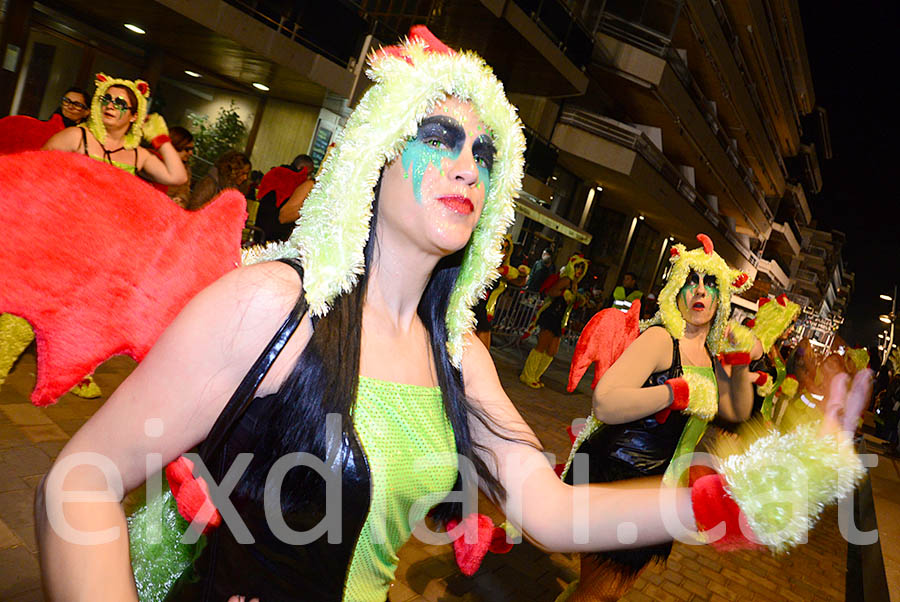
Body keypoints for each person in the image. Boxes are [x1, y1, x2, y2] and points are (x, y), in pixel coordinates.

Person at [35, 28, 870, 602]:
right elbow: (79, 480)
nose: (467, 162)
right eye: (440, 135)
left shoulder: (459, 355)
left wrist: (755, 489)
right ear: (376, 150)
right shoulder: (274, 306)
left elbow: (551, 508)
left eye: (485, 152)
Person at [559, 235, 763, 600]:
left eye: (711, 283)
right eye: (691, 280)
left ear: (721, 299)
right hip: (618, 478)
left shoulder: (711, 359)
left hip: (659, 492)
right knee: (600, 593)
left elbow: (739, 402)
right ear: (676, 290)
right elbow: (604, 403)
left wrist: (744, 353)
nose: (700, 290)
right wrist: (674, 393)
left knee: (608, 592)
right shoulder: (659, 340)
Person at [43, 73, 186, 186]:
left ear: (134, 116)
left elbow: (177, 177)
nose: (110, 106)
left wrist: (160, 138)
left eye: (120, 103)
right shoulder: (76, 136)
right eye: (106, 99)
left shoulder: (138, 155)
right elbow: (37, 168)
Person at [520, 254, 589, 388]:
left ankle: (535, 375)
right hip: (551, 314)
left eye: (582, 267)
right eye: (577, 266)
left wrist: (578, 299)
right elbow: (551, 292)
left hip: (559, 318)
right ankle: (527, 376)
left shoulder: (574, 283)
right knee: (542, 346)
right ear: (571, 267)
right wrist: (563, 293)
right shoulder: (566, 280)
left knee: (552, 350)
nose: (579, 270)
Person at [254, 154, 315, 241]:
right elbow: (284, 215)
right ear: (301, 168)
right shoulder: (292, 179)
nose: (308, 177)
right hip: (273, 234)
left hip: (260, 230)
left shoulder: (277, 173)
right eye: (309, 173)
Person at [165, 126, 194, 208]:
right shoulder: (152, 161)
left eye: (192, 149)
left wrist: (180, 200)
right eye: (187, 149)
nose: (191, 153)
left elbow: (185, 192)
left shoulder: (185, 169)